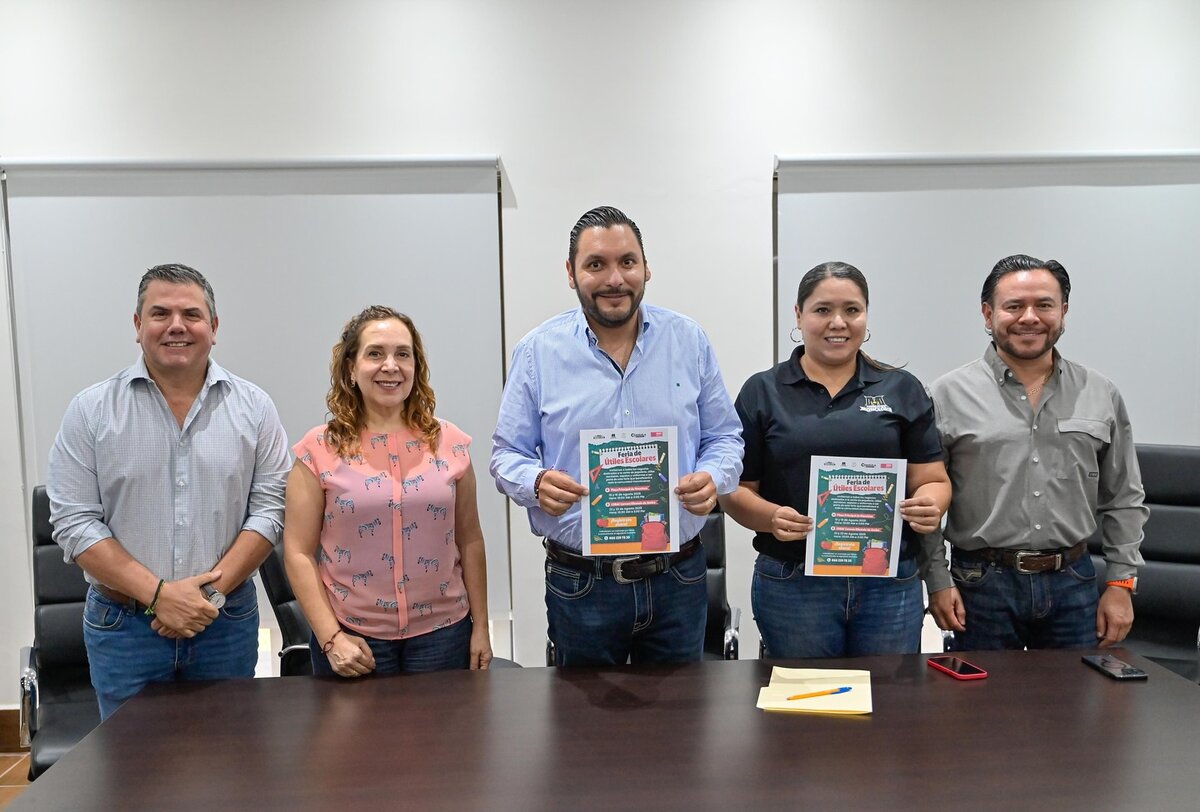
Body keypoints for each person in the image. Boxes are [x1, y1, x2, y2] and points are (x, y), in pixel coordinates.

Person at [490, 205, 744, 666]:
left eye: (627, 262)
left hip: (678, 577)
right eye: (596, 264)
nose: (614, 279)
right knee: (582, 713)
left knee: (681, 710)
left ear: (646, 267)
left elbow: (725, 437)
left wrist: (713, 476)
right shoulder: (536, 353)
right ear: (571, 273)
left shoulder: (689, 341)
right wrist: (536, 482)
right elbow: (507, 454)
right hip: (582, 583)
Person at [47, 263, 289, 719]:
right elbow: (74, 522)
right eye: (160, 313)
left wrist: (203, 600)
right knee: (131, 760)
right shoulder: (91, 411)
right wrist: (161, 596)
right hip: (123, 627)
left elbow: (270, 510)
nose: (176, 326)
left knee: (228, 753)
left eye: (191, 314)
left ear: (214, 327)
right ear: (138, 325)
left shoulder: (255, 408)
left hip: (225, 622)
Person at [721, 261, 951, 658]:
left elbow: (933, 479)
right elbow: (735, 491)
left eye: (852, 310)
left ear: (866, 315)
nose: (838, 322)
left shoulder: (902, 388)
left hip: (888, 580)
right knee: (806, 694)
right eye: (823, 310)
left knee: (888, 693)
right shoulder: (762, 392)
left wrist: (931, 503)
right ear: (799, 315)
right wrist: (771, 518)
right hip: (794, 582)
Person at [926, 254, 1147, 650]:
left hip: (1074, 582)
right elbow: (924, 498)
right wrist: (937, 581)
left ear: (1063, 312)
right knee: (982, 692)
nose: (1029, 317)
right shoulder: (946, 395)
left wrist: (1121, 583)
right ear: (988, 313)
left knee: (1075, 692)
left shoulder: (1100, 393)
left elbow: (1124, 498)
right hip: (980, 585)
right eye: (1014, 306)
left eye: (1044, 305)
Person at [284, 306, 492, 677]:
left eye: (403, 354)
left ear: (416, 366)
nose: (391, 366)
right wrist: (332, 639)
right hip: (353, 636)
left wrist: (482, 628)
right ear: (351, 368)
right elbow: (298, 553)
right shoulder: (318, 450)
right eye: (375, 353)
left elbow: (470, 540)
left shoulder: (451, 444)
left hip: (444, 635)